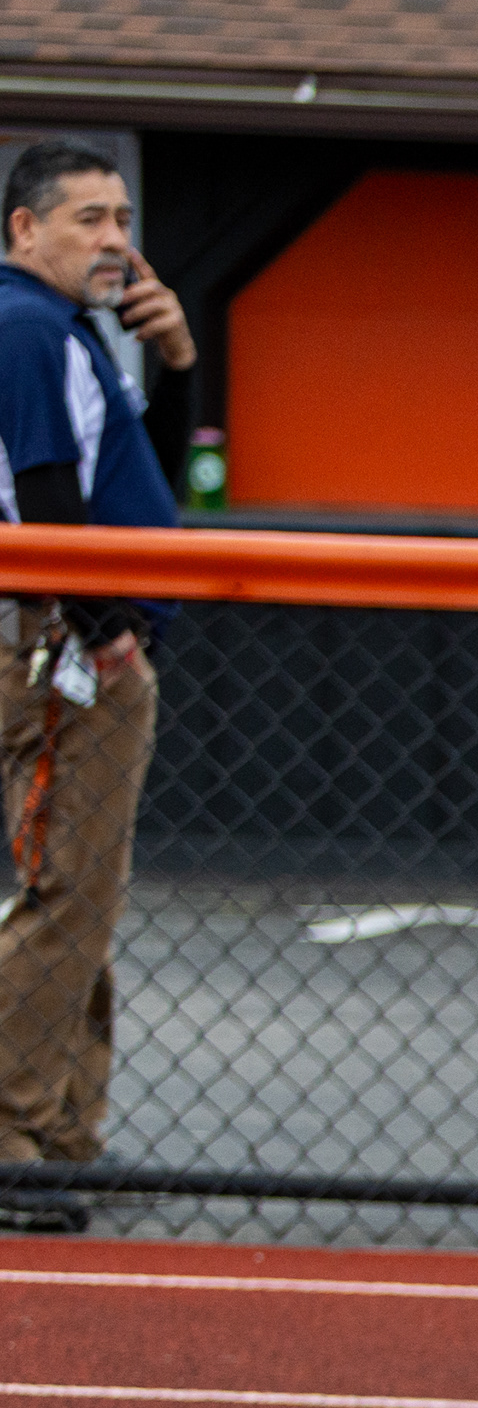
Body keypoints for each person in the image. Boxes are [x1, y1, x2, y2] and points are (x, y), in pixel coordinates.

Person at [0, 139, 191, 1216]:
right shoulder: (28, 325)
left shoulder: (69, 330)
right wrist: (106, 626)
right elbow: (47, 499)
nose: (116, 238)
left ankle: (61, 1135)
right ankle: (10, 1137)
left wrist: (178, 365)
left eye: (122, 217)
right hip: (60, 645)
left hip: (73, 637)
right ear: (24, 228)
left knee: (85, 895)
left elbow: (141, 480)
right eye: (89, 218)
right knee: (67, 893)